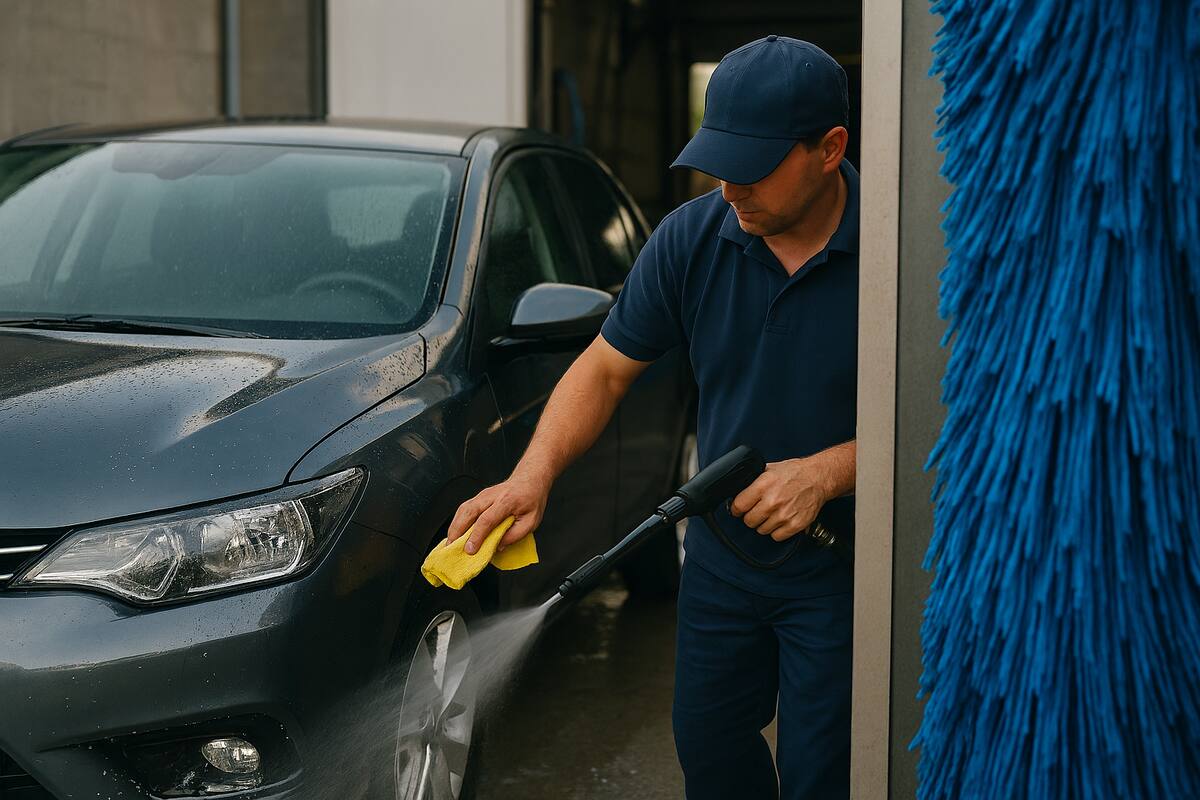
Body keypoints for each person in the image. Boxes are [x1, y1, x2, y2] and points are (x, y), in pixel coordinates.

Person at [449, 34, 858, 800]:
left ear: (829, 148)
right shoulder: (691, 238)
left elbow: (957, 419)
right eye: (718, 162)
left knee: (821, 773)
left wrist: (829, 472)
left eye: (754, 168)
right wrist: (530, 478)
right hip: (721, 562)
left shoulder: (901, 253)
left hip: (845, 569)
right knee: (709, 752)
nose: (729, 190)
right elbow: (603, 372)